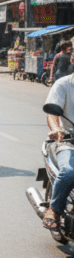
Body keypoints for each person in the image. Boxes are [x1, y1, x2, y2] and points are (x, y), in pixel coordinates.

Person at [43, 72, 74, 229]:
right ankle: (54, 210)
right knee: (69, 172)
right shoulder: (63, 84)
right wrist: (56, 129)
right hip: (68, 141)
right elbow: (52, 114)